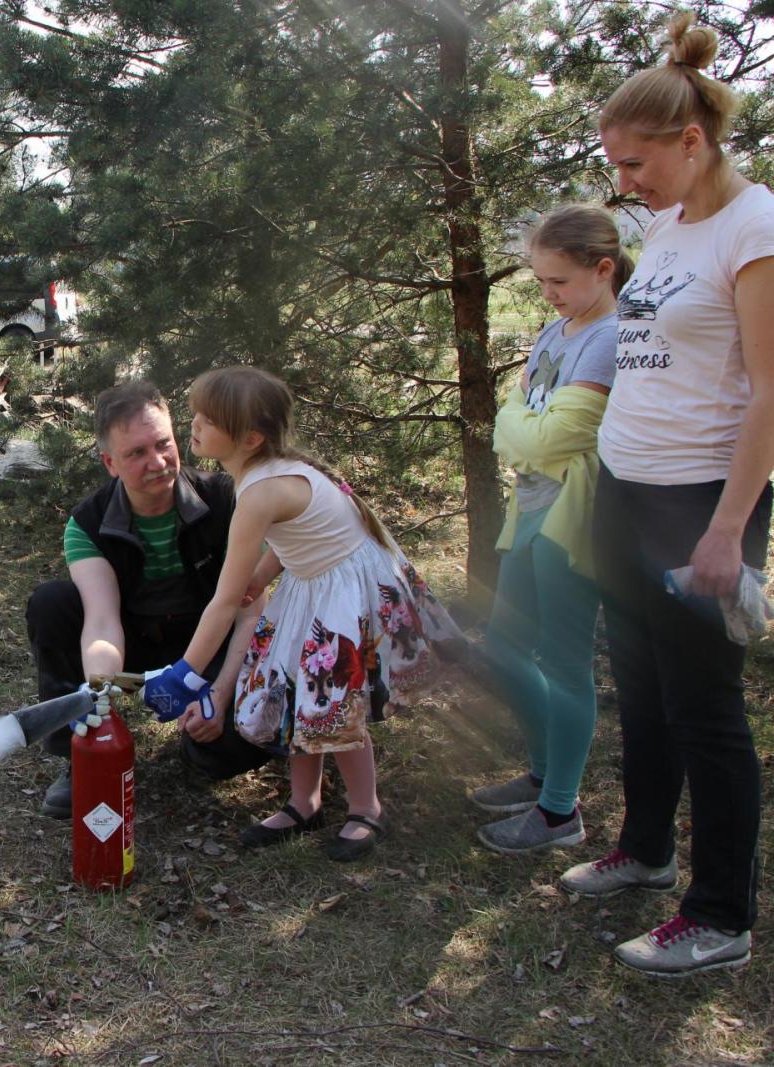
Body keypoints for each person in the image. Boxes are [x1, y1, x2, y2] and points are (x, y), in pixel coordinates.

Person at [553, 12, 774, 977]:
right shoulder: (669, 224)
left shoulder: (754, 224)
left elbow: (770, 388)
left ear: (693, 141)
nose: (624, 184)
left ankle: (721, 913)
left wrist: (731, 530)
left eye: (636, 163)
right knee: (639, 686)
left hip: (698, 502)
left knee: (704, 709)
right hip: (626, 491)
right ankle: (646, 849)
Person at [142, 367, 459, 861]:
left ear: (249, 437)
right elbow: (297, 537)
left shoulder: (259, 492)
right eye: (197, 413)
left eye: (209, 419)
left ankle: (366, 806)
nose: (195, 424)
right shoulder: (264, 471)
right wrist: (263, 574)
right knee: (291, 688)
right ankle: (303, 803)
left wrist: (185, 673)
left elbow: (224, 601)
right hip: (314, 583)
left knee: (333, 700)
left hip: (344, 590)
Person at [25, 380, 275, 818]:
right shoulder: (87, 524)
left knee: (220, 755)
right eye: (136, 453)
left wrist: (218, 691)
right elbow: (101, 623)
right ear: (110, 463)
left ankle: (211, 731)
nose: (157, 462)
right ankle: (82, 753)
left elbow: (253, 608)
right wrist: (97, 688)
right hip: (134, 640)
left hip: (210, 643)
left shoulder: (228, 501)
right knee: (52, 603)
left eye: (163, 444)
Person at [470, 206, 631, 855]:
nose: (549, 294)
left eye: (559, 280)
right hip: (531, 505)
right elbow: (514, 421)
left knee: (565, 662)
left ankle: (561, 810)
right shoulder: (557, 330)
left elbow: (564, 431)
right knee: (504, 644)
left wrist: (522, 434)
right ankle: (543, 774)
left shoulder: (611, 337)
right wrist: (524, 434)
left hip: (574, 513)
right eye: (540, 281)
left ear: (603, 268)